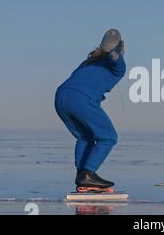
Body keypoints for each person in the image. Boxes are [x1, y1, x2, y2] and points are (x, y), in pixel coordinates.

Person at [54, 29, 126, 192]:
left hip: (61, 96)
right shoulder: (118, 66)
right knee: (108, 137)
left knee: (84, 137)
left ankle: (83, 177)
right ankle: (87, 174)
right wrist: (116, 52)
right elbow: (115, 59)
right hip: (80, 99)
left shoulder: (89, 61)